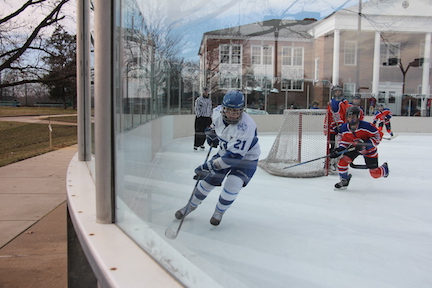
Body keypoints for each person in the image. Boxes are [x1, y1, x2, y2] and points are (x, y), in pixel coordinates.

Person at [175, 90, 261, 226]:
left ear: (242, 110)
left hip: (246, 159)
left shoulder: (246, 127)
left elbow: (233, 157)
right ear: (223, 108)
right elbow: (213, 127)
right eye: (229, 111)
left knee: (233, 184)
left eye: (236, 111)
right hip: (224, 151)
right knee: (208, 181)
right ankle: (190, 206)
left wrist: (208, 166)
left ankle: (219, 212)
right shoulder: (217, 112)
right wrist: (211, 134)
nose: (232, 115)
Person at [329, 106, 389, 190]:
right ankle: (344, 181)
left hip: (369, 150)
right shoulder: (344, 128)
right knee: (342, 163)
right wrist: (339, 149)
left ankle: (385, 169)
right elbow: (343, 140)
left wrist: (365, 144)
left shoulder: (367, 126)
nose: (351, 120)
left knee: (375, 174)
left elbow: (378, 137)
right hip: (354, 148)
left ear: (358, 117)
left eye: (353, 117)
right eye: (349, 117)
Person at [324, 85, 350, 172]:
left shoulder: (344, 102)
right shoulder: (333, 103)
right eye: (336, 91)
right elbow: (332, 115)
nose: (338, 93)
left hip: (342, 127)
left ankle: (336, 163)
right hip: (333, 128)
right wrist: (335, 126)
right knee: (332, 146)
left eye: (339, 91)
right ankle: (328, 163)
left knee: (340, 146)